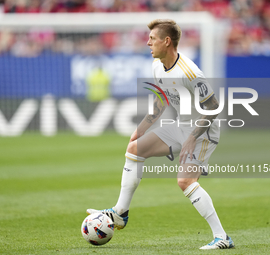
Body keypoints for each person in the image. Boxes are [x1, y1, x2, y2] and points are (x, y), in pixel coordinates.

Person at [87, 19, 234, 250]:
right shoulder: (157, 65)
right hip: (181, 125)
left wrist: (192, 138)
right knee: (135, 149)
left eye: (152, 39)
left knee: (185, 181)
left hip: (203, 132)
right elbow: (162, 99)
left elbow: (213, 107)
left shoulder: (190, 72)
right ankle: (120, 213)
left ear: (167, 41)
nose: (148, 43)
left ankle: (222, 237)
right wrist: (140, 129)